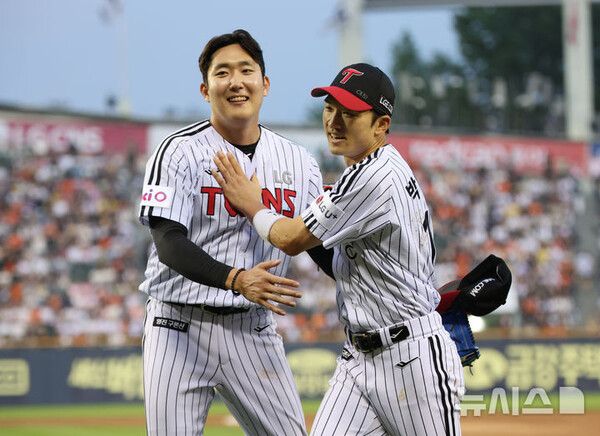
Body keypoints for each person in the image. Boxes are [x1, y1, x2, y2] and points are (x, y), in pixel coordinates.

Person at [213, 62, 465, 435]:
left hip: (411, 360)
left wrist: (253, 205)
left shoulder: (374, 176)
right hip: (360, 358)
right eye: (330, 108)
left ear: (381, 125)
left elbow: (291, 239)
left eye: (350, 113)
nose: (334, 121)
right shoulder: (371, 169)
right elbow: (333, 258)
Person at [138, 29, 325, 436]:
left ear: (265, 84)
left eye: (246, 70)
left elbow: (319, 247)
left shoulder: (299, 162)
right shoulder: (178, 151)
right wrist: (237, 279)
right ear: (205, 90)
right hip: (178, 327)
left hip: (253, 327)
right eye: (222, 73)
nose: (236, 81)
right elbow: (168, 243)